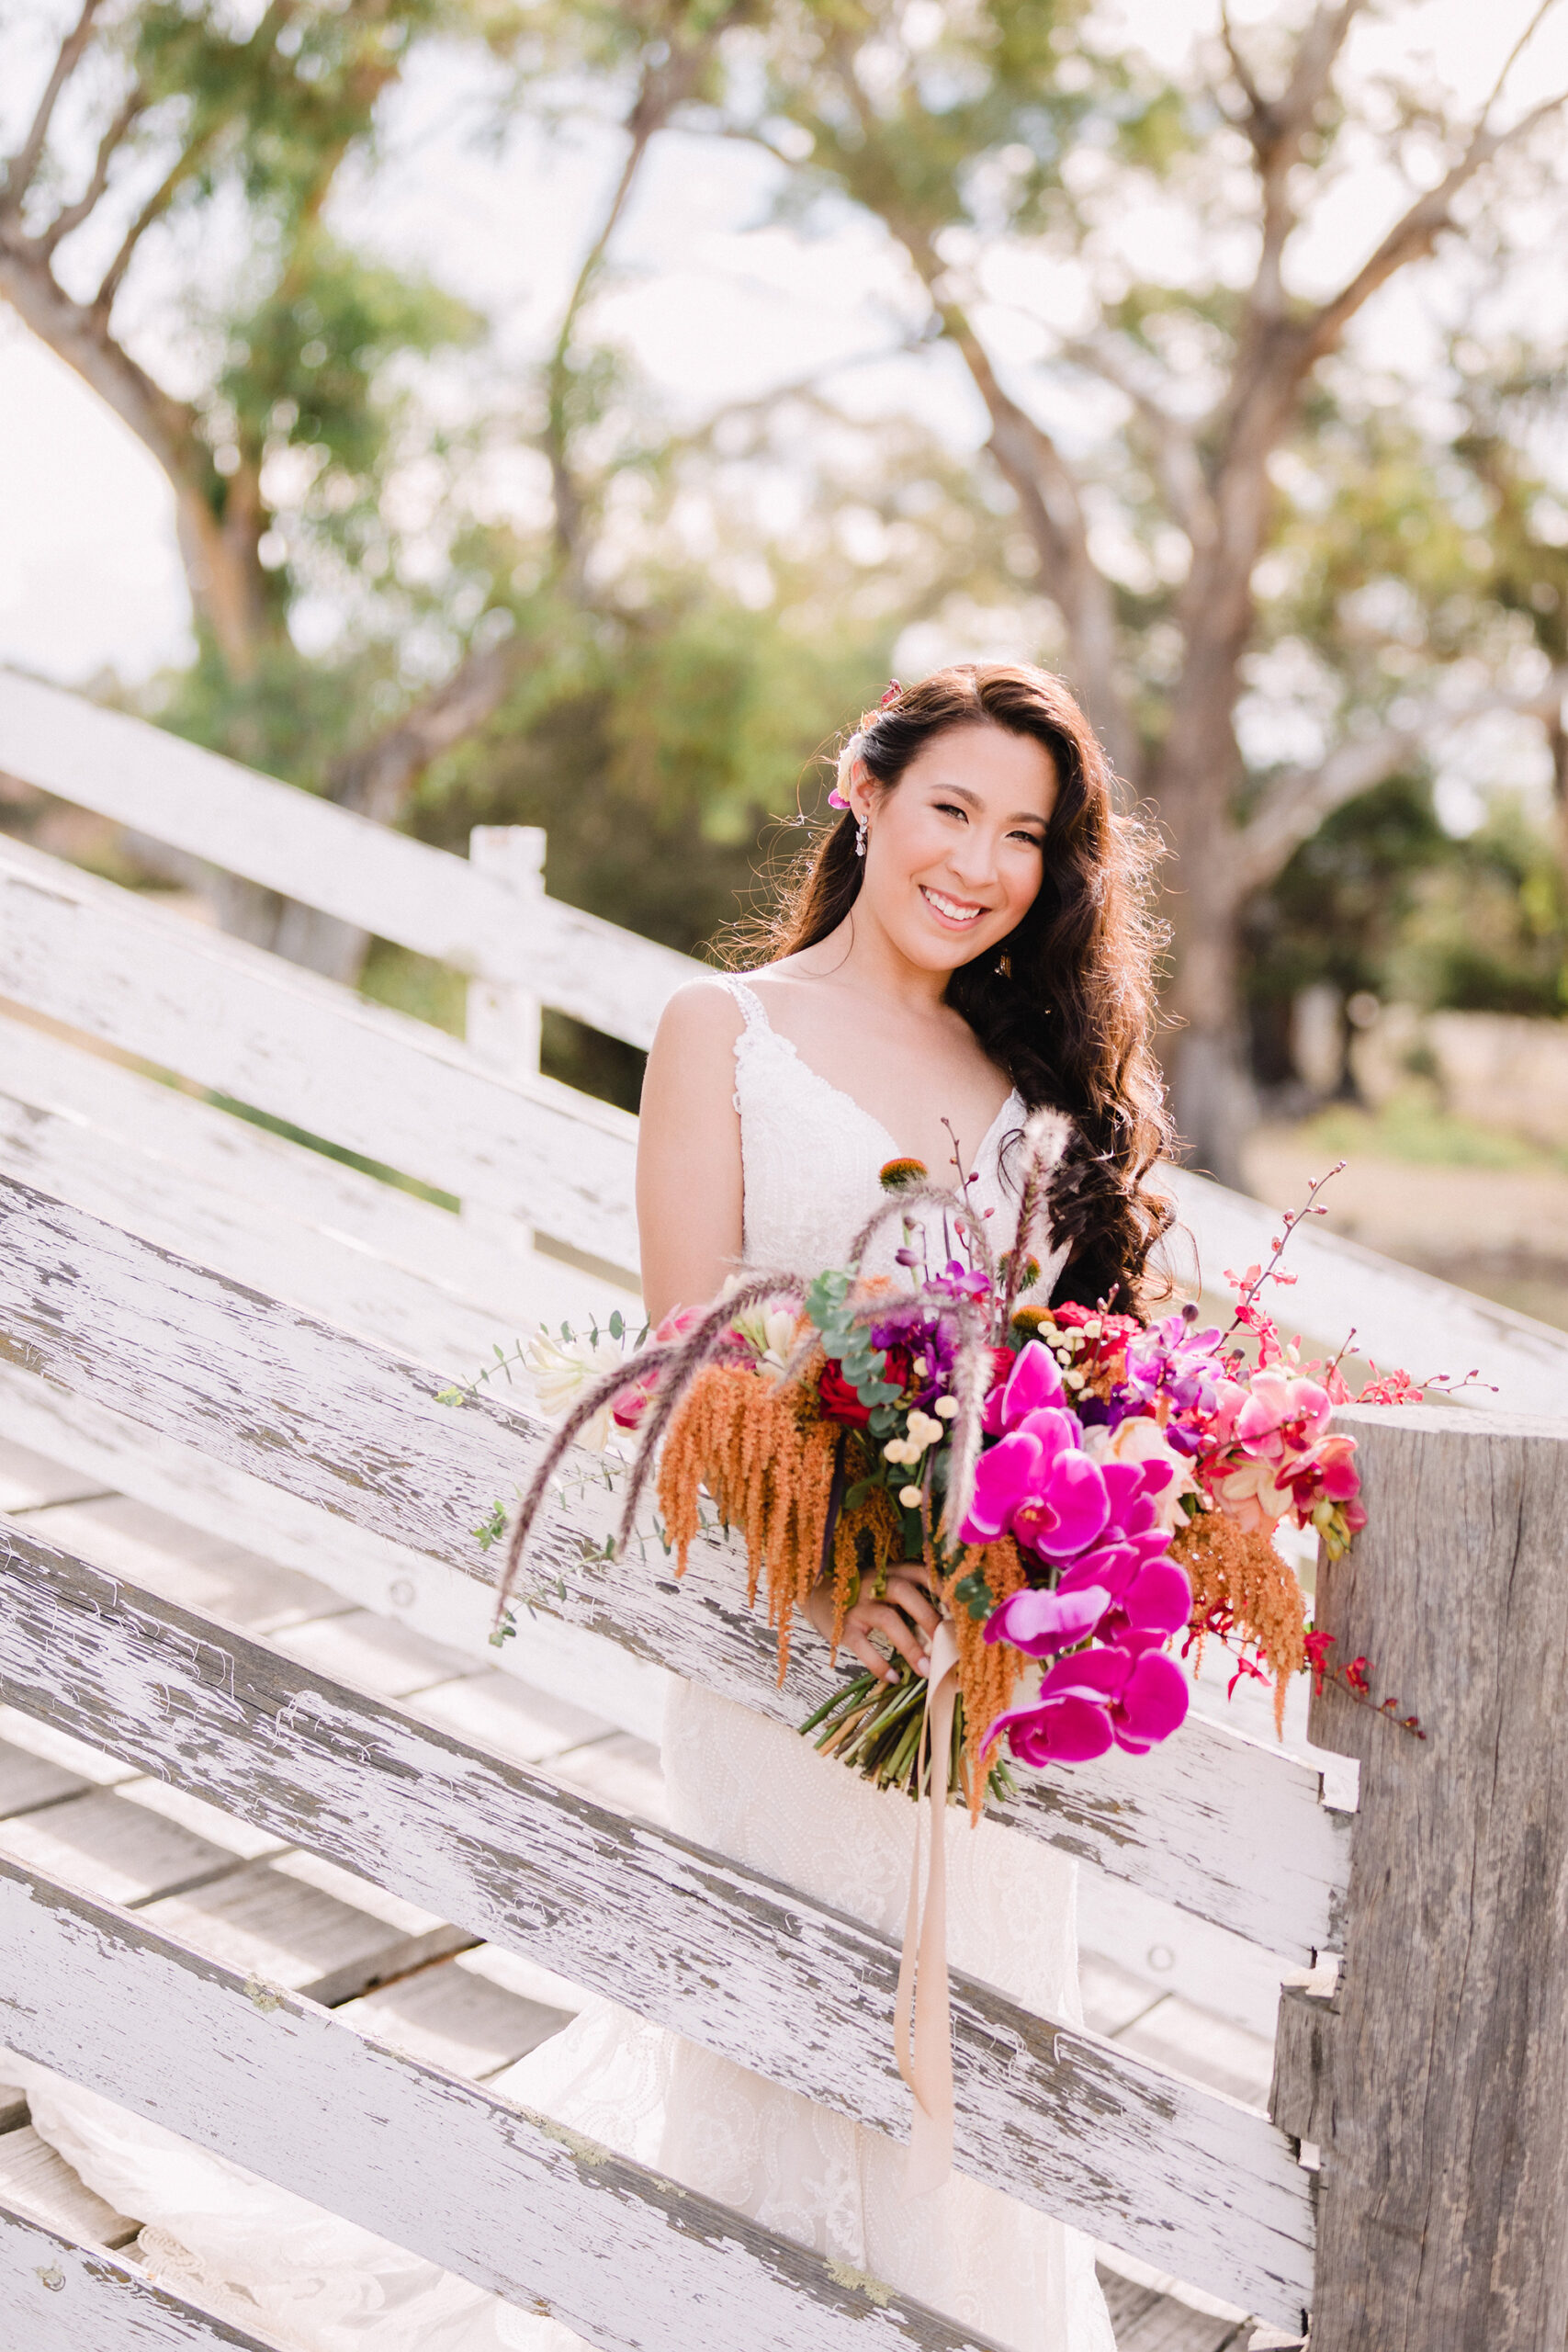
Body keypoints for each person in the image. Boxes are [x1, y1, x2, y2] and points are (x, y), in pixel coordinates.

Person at [4, 662, 1171, 2351]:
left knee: (972, 2078)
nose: (981, 864)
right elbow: (690, 1358)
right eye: (952, 810)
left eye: (1026, 838)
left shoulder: (1041, 1087)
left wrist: (1046, 1550)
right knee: (775, 2050)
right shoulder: (730, 1034)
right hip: (799, 1639)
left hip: (977, 1672)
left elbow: (1078, 1372)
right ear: (864, 789)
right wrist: (842, 1583)